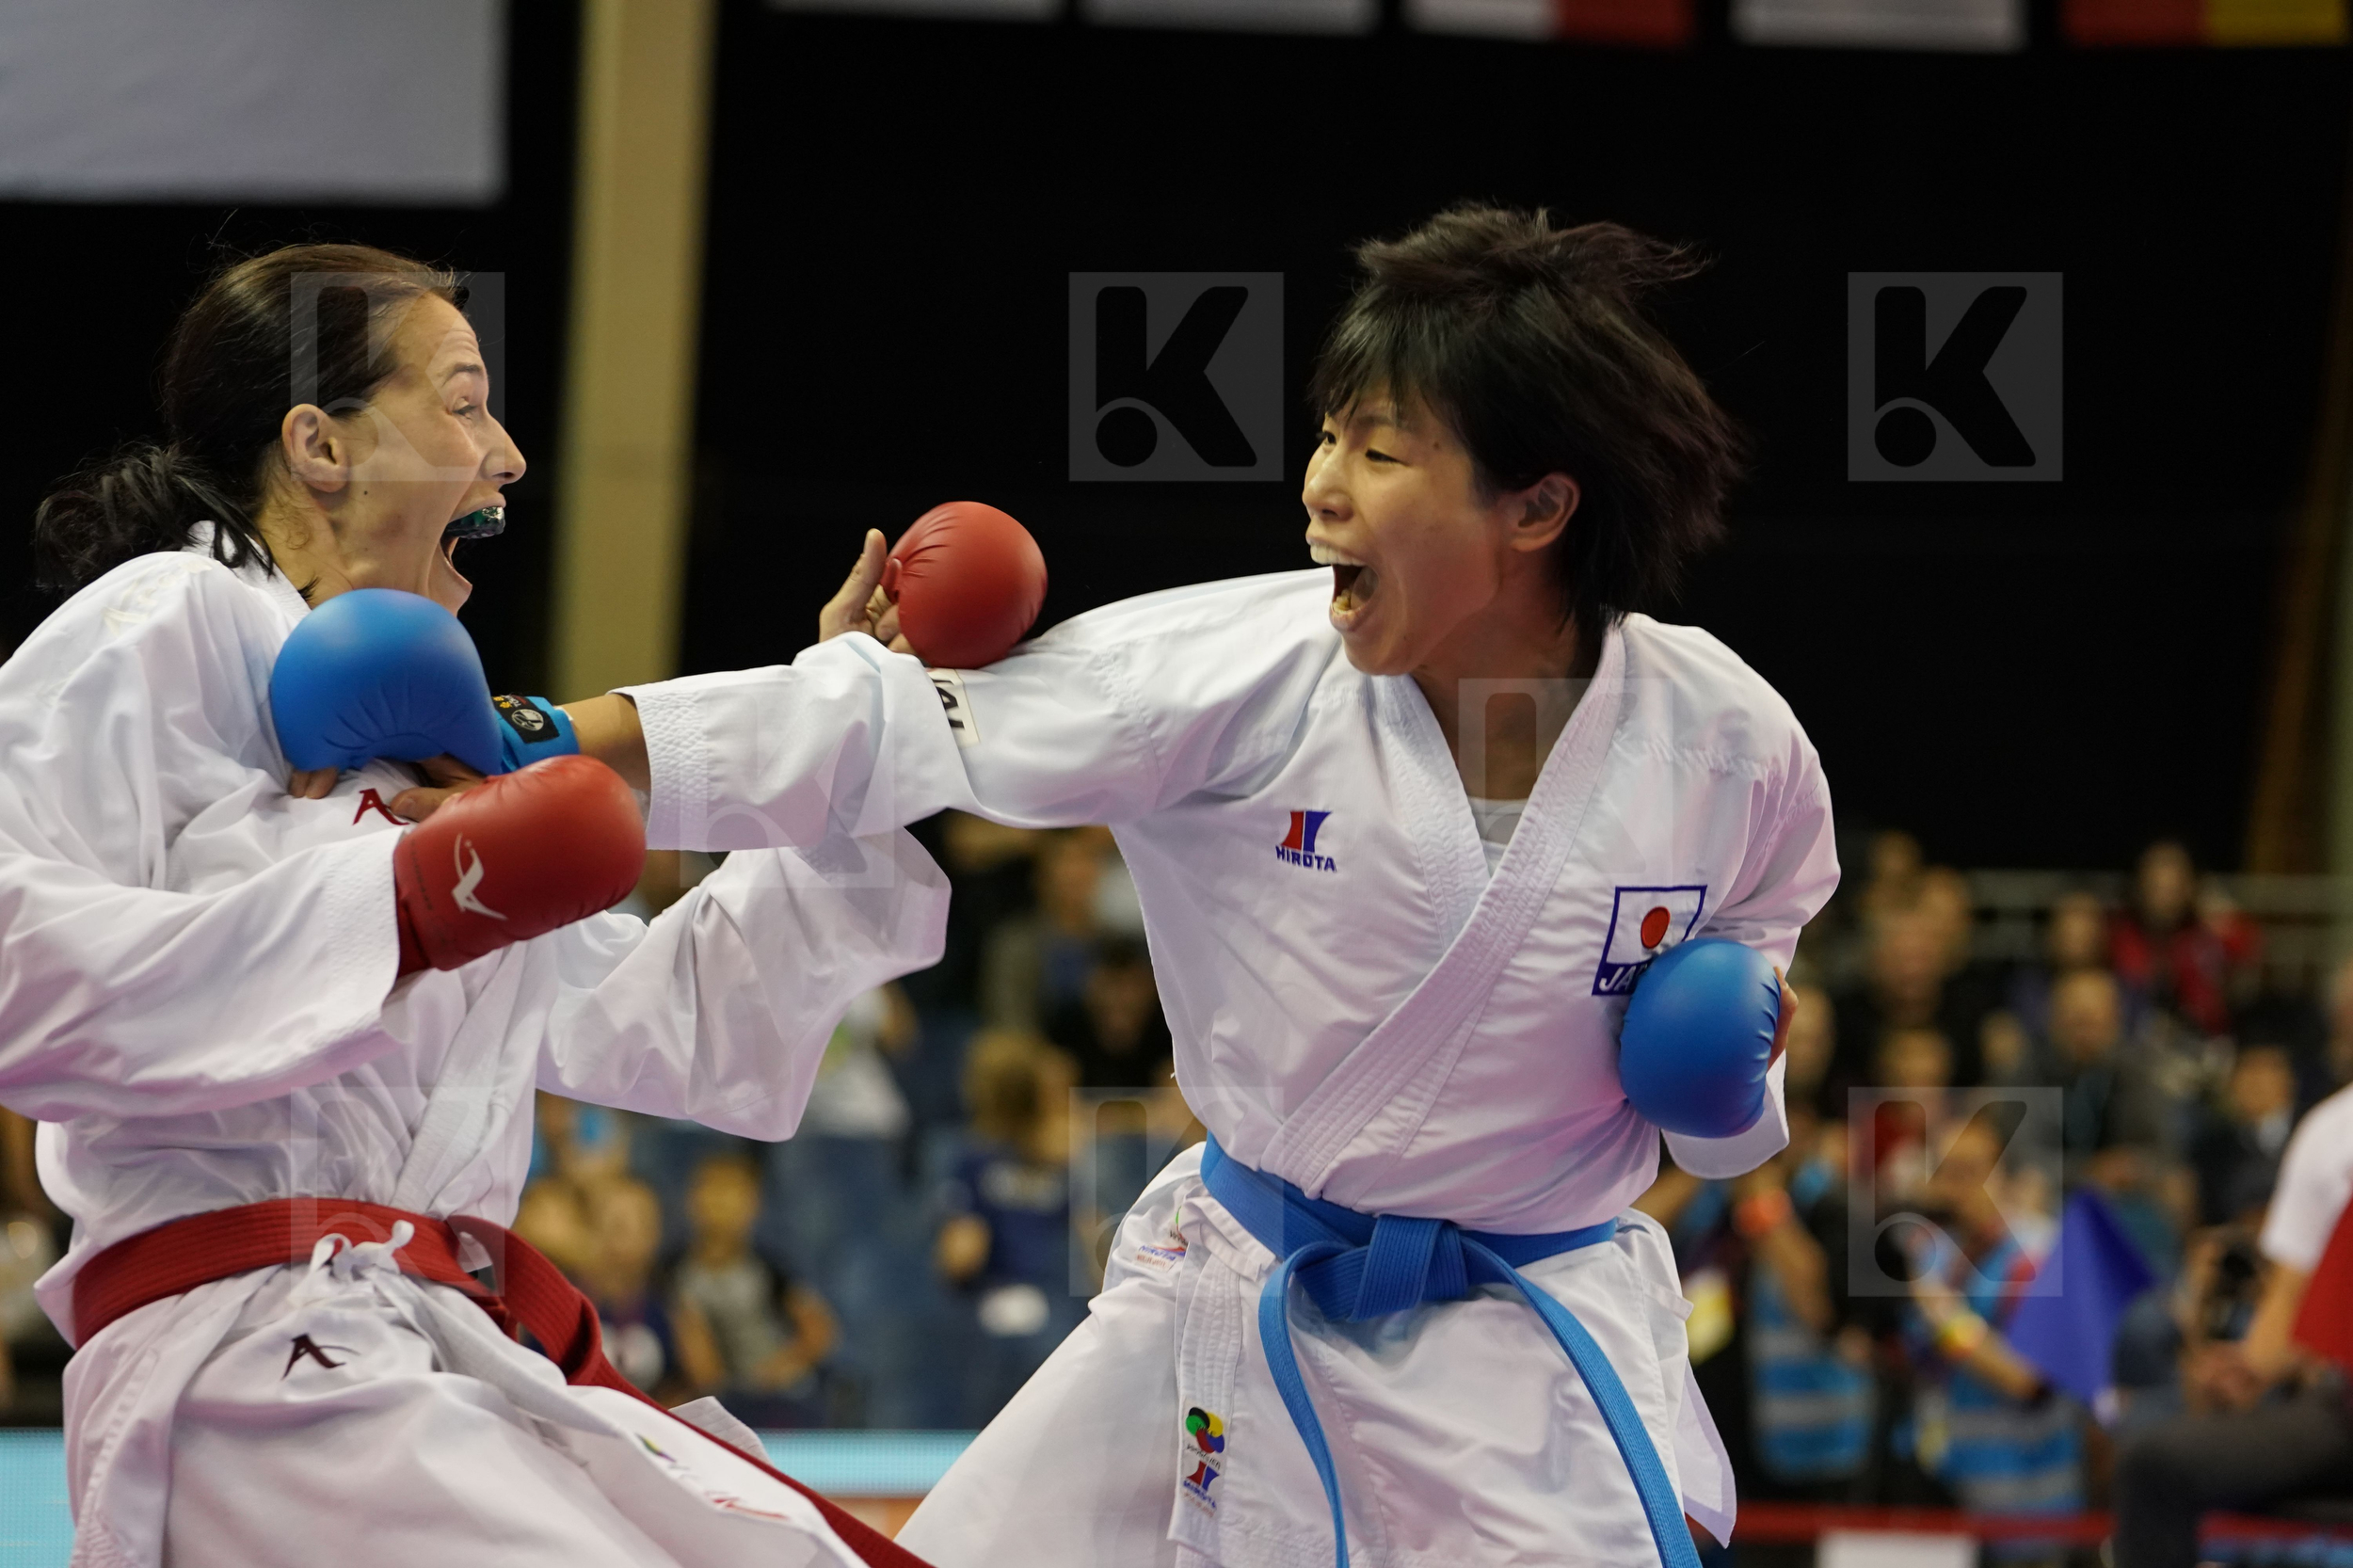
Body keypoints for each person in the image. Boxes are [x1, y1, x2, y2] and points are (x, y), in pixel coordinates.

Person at [577, 206, 1836, 1566]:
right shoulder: (1234, 673)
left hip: (1523, 1367)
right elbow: (875, 732)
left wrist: (1731, 1074)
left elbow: (1757, 958)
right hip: (1233, 1306)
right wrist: (532, 739)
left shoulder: (1728, 740)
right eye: (1329, 435)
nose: (1322, 486)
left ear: (1536, 504)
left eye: (1382, 449)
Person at [0, 244, 947, 1568]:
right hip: (252, 1359)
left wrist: (849, 758)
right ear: (318, 445)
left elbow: (686, 1024)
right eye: (463, 401)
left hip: (417, 1346)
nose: (504, 456)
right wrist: (406, 901)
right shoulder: (172, 619)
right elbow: (16, 969)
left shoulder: (424, 772)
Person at [2114, 1083, 2353, 1566]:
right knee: (2154, 1465)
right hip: (2345, 1410)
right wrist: (2248, 1367)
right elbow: (2290, 1293)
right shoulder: (2332, 1131)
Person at [672, 1153, 839, 1428]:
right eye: (711, 1188)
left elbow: (819, 1330)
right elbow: (699, 1363)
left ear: (754, 1205)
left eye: (734, 1192)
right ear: (691, 1200)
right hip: (717, 1400)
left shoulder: (772, 1267)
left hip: (781, 1395)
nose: (721, 1202)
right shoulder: (676, 1274)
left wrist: (782, 1367)